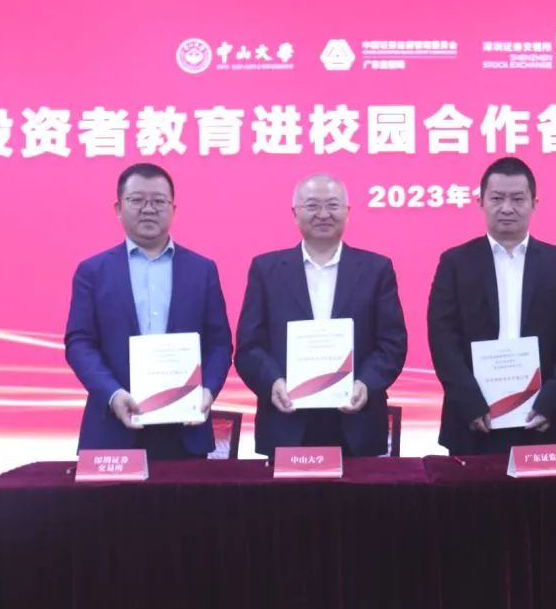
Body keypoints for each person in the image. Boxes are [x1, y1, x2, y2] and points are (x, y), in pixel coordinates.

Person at [65, 162, 233, 459]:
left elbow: (219, 343)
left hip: (186, 428)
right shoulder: (93, 271)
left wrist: (207, 390)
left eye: (158, 201)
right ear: (118, 208)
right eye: (137, 200)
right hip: (113, 428)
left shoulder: (202, 270)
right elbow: (79, 343)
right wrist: (113, 394)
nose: (148, 209)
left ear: (173, 209)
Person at [234, 174, 407, 457]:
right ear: (295, 213)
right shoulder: (266, 270)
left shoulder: (376, 269)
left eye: (333, 205)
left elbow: (392, 343)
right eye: (312, 205)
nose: (323, 214)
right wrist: (273, 382)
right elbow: (249, 346)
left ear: (347, 212)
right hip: (286, 420)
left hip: (357, 421)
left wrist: (366, 383)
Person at [427, 157, 556, 455]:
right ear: (480, 202)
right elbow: (442, 337)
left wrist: (551, 401)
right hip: (474, 421)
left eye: (517, 199)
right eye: (497, 198)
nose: (506, 208)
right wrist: (469, 402)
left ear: (534, 204)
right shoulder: (455, 263)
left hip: (544, 419)